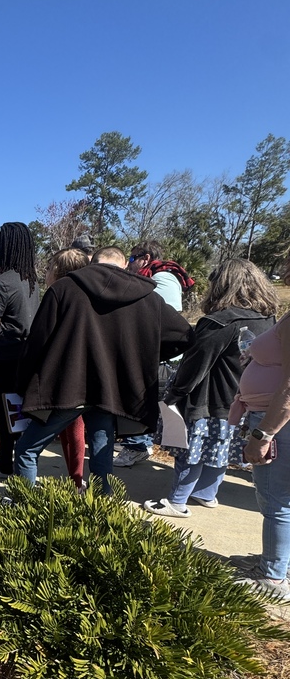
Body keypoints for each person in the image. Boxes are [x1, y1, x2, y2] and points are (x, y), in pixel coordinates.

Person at [14, 246, 193, 492]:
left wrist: (24, 382)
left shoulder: (63, 288)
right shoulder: (147, 296)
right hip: (112, 391)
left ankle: (22, 508)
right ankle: (101, 513)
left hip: (69, 387)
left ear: (93, 262)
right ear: (123, 265)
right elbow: (184, 336)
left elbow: (38, 342)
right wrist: (143, 357)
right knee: (101, 456)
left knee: (26, 449)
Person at [144, 259, 278, 518]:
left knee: (191, 450)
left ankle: (177, 501)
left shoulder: (221, 322)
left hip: (208, 398)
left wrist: (175, 394)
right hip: (242, 400)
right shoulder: (268, 320)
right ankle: (206, 493)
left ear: (222, 285)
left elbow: (195, 364)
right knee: (221, 447)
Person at [229, 256, 290, 601]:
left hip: (276, 419)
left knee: (275, 498)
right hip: (274, 416)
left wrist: (262, 434)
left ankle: (272, 576)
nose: (282, 272)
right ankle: (278, 560)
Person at [114, 241, 197, 467]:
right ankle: (140, 442)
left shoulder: (161, 280)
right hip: (156, 354)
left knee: (141, 399)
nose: (129, 265)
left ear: (146, 258)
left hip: (159, 356)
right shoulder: (159, 277)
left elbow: (153, 317)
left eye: (132, 259)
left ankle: (137, 447)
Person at [0, 223, 40, 478]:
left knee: (6, 415)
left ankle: (9, 467)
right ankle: (11, 463)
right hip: (28, 357)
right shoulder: (31, 279)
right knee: (19, 413)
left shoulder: (2, 282)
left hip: (6, 357)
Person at [44, 247, 91, 489]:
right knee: (68, 430)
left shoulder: (59, 292)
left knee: (74, 429)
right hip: (80, 371)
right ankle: (75, 478)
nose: (48, 270)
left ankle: (77, 479)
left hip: (70, 372)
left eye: (52, 266)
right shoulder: (89, 293)